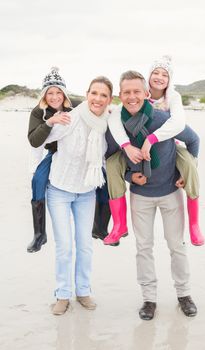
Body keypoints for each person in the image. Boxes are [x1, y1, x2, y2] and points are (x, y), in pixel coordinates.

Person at [105, 70, 199, 320]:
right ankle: (149, 299)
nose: (132, 97)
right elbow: (111, 158)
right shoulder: (117, 125)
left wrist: (186, 171)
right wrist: (128, 177)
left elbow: (193, 140)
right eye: (127, 92)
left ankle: (184, 294)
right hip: (140, 197)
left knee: (176, 246)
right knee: (143, 248)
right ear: (120, 96)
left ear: (147, 93)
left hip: (170, 193)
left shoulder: (163, 119)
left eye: (137, 91)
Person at [105, 55, 204, 246]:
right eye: (155, 73)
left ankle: (194, 225)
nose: (159, 77)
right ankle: (119, 225)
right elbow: (115, 118)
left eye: (164, 74)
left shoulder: (172, 98)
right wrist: (126, 146)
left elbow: (180, 125)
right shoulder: (133, 100)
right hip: (137, 153)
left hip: (171, 140)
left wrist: (151, 139)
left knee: (190, 164)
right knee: (111, 163)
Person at [38, 76, 113, 315]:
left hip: (86, 192)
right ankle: (62, 294)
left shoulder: (108, 122)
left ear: (109, 99)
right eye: (94, 93)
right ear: (87, 94)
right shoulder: (71, 117)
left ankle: (83, 291)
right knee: (65, 247)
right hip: (59, 189)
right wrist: (51, 122)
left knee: (84, 246)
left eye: (103, 95)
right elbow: (42, 141)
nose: (97, 99)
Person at [27, 67, 75, 253]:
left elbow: (95, 107)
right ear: (44, 96)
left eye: (58, 92)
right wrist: (50, 122)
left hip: (74, 152)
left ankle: (100, 226)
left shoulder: (74, 106)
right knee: (38, 180)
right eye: (50, 93)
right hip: (53, 153)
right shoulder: (38, 112)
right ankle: (39, 234)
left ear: (64, 93)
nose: (55, 97)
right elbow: (33, 140)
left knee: (102, 173)